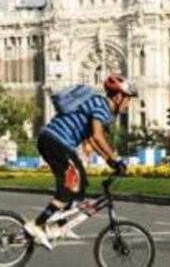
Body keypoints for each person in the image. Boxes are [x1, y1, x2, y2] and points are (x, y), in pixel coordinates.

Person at [24, 75, 137, 249]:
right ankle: (37, 224)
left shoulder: (100, 107)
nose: (128, 104)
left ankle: (59, 225)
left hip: (59, 143)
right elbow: (98, 135)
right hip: (55, 141)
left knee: (81, 183)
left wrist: (109, 161)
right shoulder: (101, 106)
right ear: (117, 97)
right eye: (128, 99)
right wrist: (116, 159)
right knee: (68, 187)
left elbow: (91, 138)